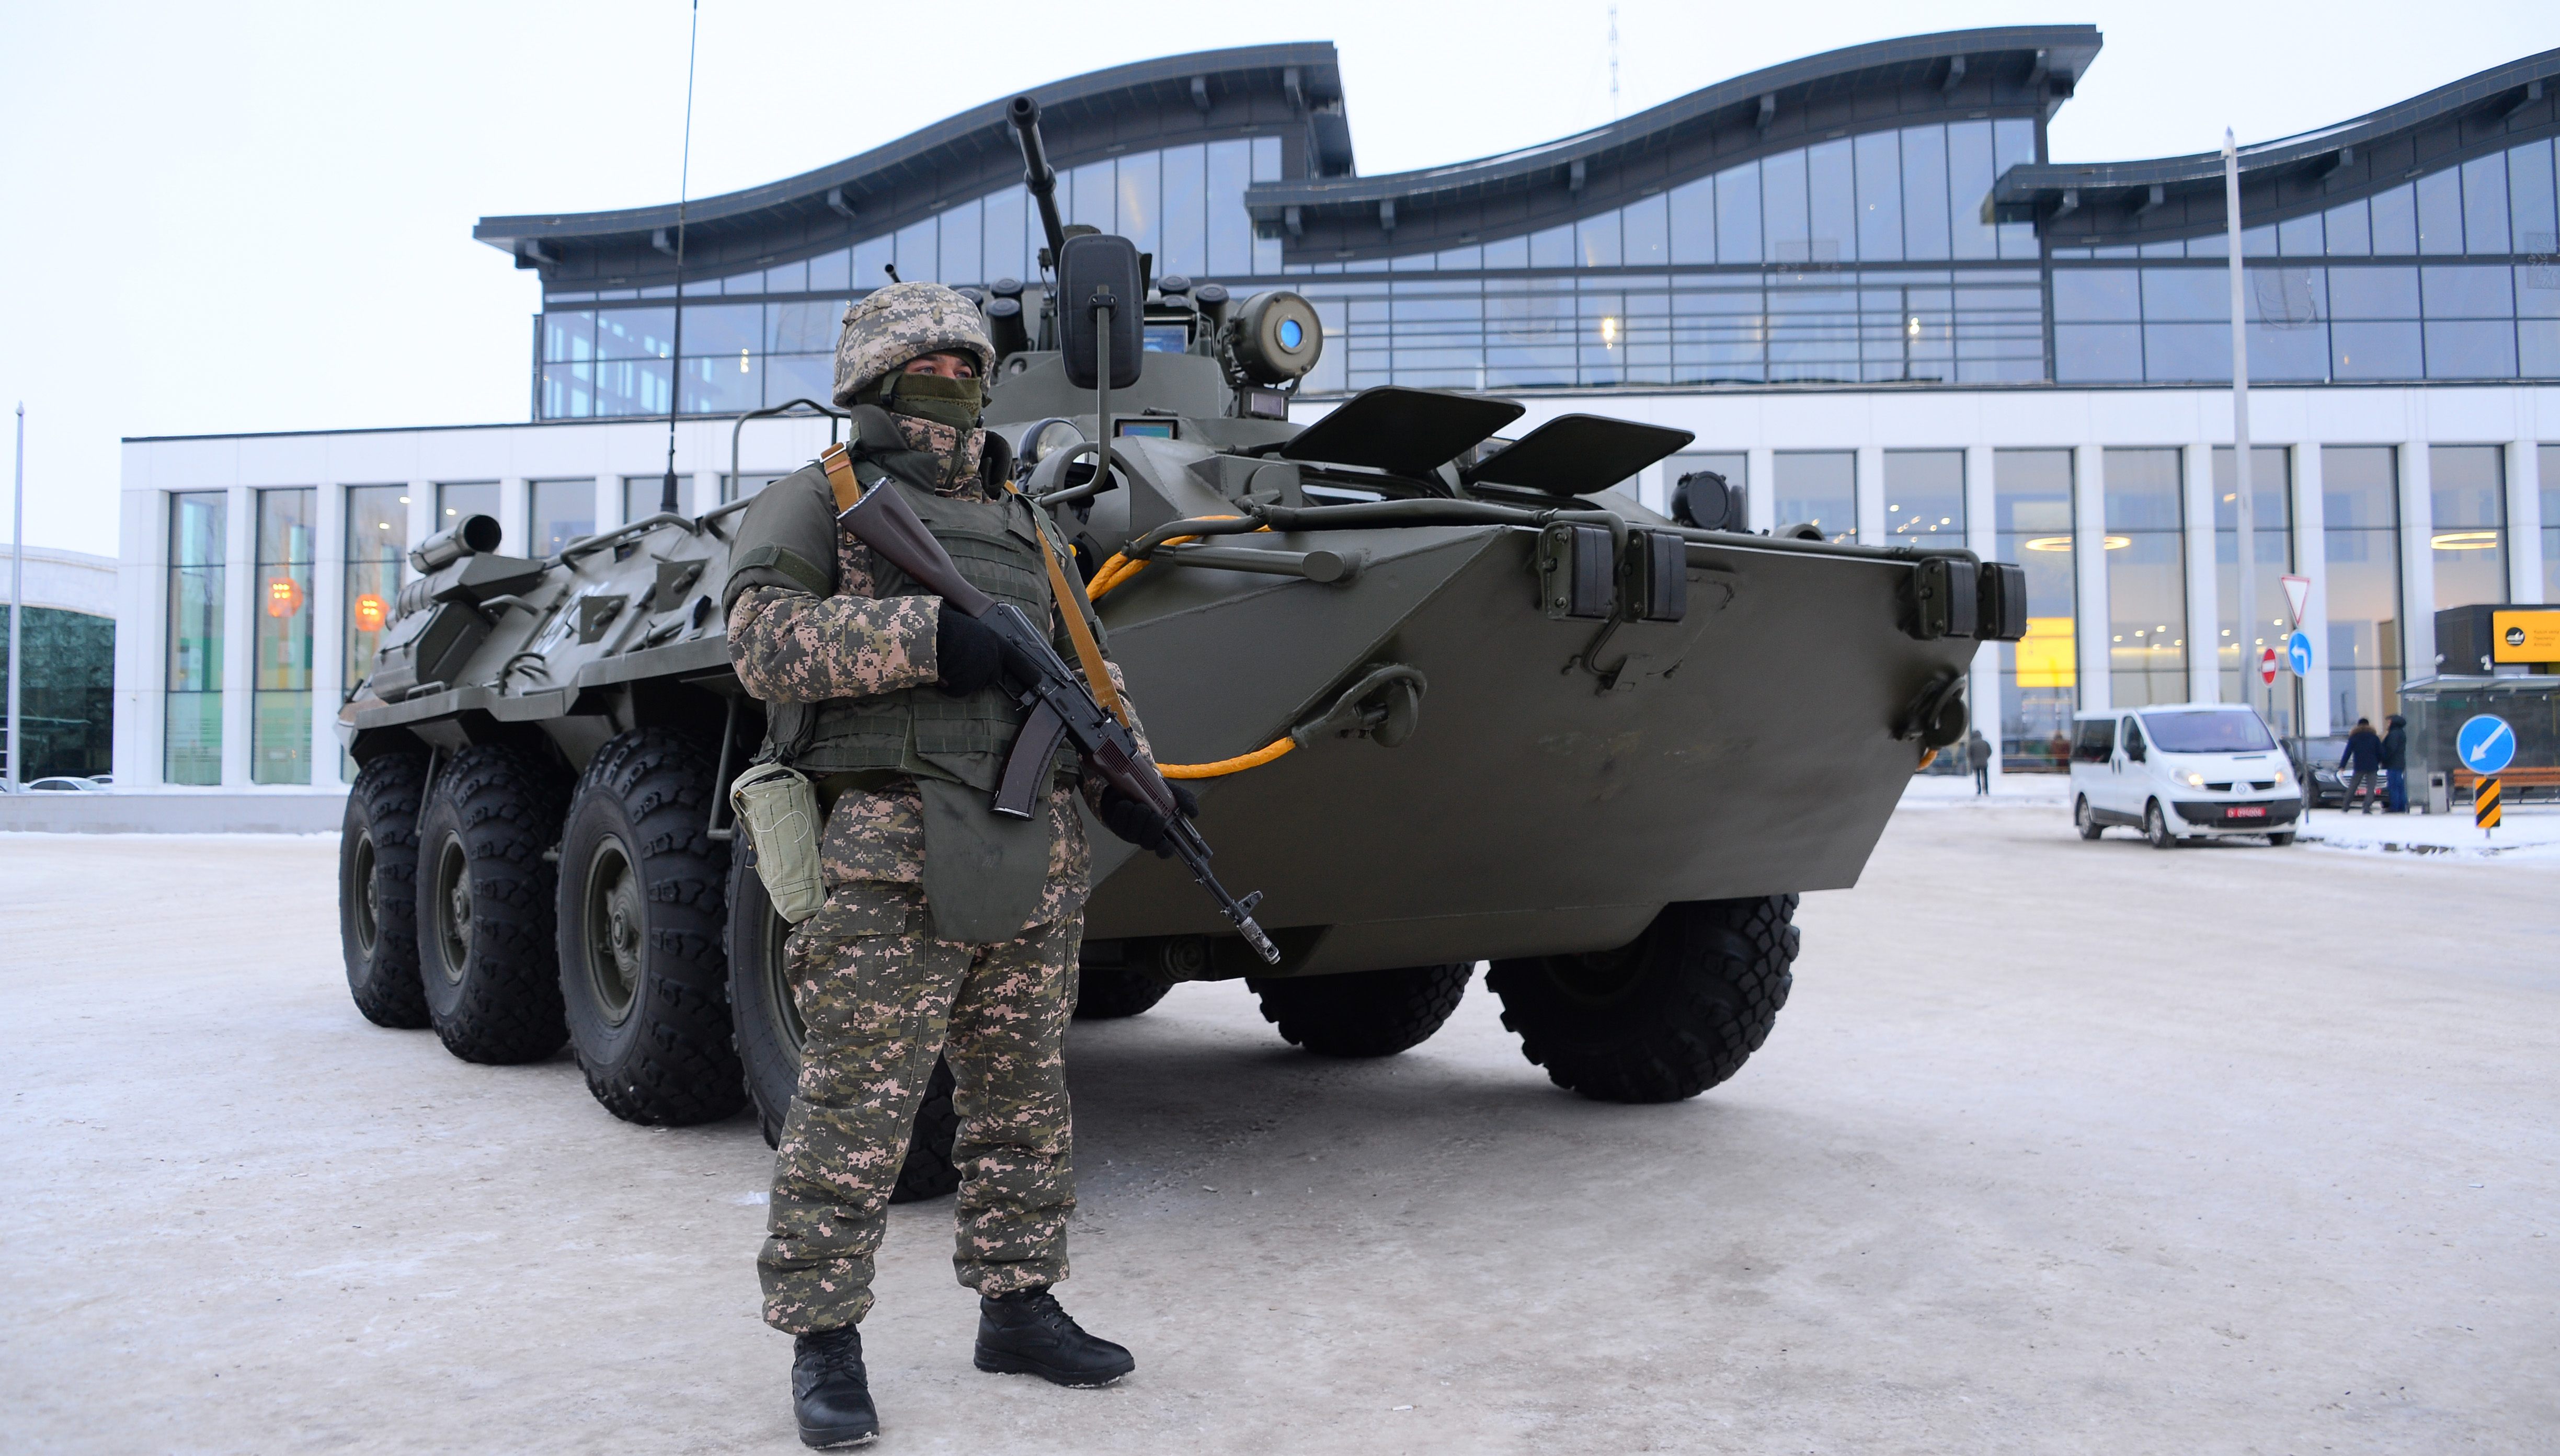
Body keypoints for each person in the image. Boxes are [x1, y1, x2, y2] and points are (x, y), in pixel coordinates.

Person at [723, 282, 1169, 1447]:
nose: (961, 391)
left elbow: (1094, 673)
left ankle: (1018, 1304)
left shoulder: (1028, 525)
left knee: (1023, 1097)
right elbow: (763, 646)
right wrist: (930, 637)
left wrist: (1145, 789)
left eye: (974, 369)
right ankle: (824, 1341)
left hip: (1031, 849)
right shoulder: (819, 501)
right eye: (935, 371)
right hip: (885, 856)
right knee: (858, 1106)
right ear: (875, 383)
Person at [2339, 717, 2384, 813]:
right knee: (2371, 788)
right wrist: (2381, 761)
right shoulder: (2374, 738)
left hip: (2359, 766)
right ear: (2368, 725)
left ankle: (2346, 806)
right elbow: (2380, 752)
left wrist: (2343, 766)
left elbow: (2347, 753)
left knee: (2353, 786)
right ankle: (2367, 807)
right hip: (2372, 766)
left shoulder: (2354, 738)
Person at [2381, 713, 2409, 813]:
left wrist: (2384, 758)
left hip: (2393, 764)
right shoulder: (2401, 732)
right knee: (2399, 786)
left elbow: (2390, 748)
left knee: (2394, 786)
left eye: (2389, 722)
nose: (2388, 724)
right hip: (2399, 763)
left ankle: (2395, 807)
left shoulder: (2394, 734)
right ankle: (2402, 806)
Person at [1966, 729, 1993, 795]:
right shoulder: (1985, 743)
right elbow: (1990, 751)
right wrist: (1986, 758)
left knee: (1978, 777)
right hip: (1984, 763)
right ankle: (1986, 790)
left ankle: (1979, 790)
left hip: (1976, 763)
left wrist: (1972, 759)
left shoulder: (1972, 744)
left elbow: (1969, 754)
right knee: (1985, 777)